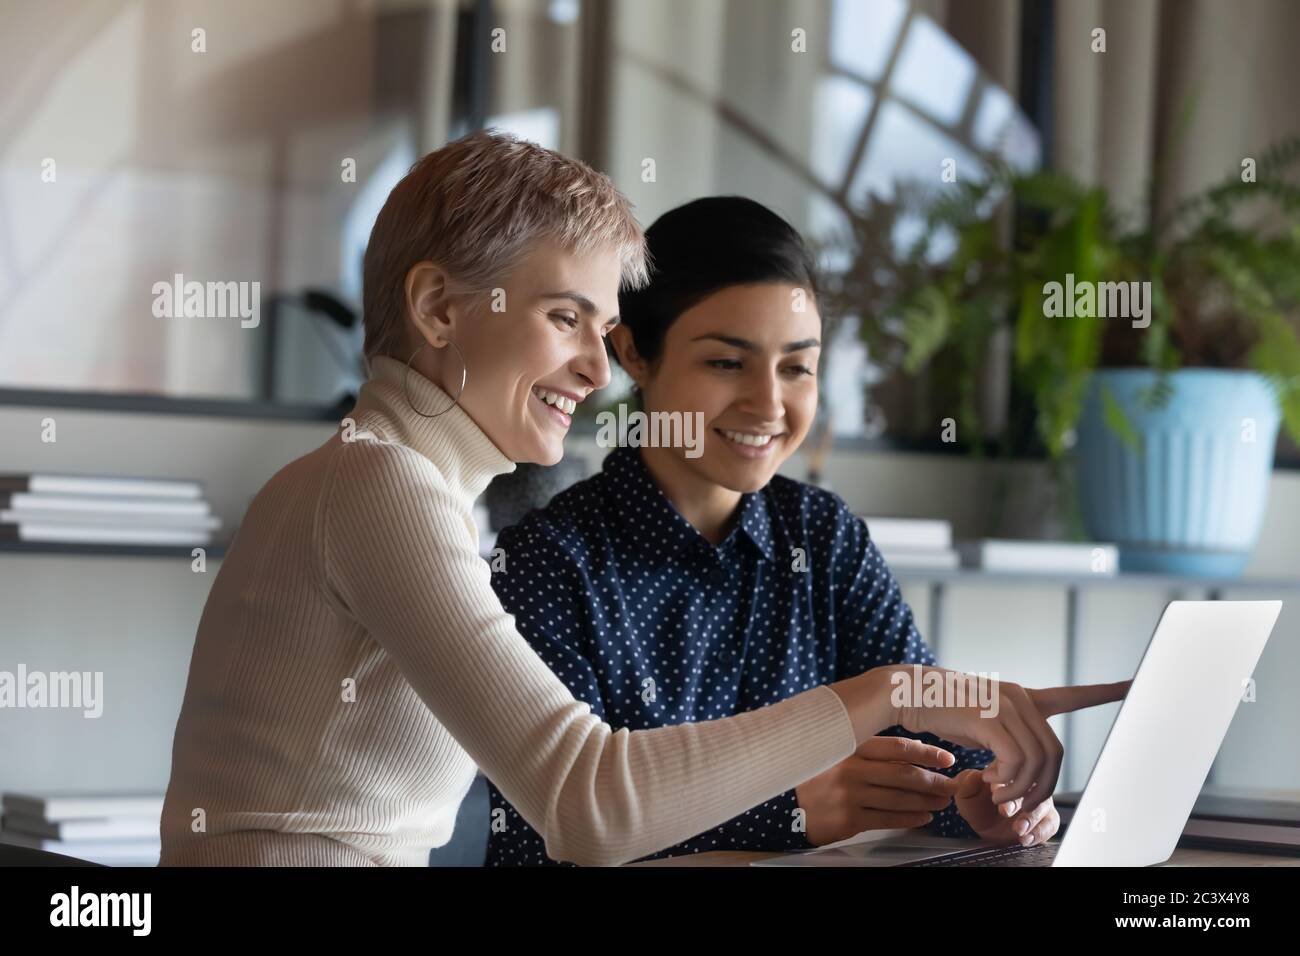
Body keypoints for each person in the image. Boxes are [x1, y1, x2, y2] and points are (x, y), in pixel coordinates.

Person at [160, 132, 1126, 867]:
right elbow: (588, 805)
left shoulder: (401, 484)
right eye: (563, 318)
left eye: (604, 325)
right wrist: (885, 695)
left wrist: (971, 776)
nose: (594, 365)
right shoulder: (380, 489)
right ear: (441, 309)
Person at [484, 197, 1081, 864]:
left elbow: (926, 721)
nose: (768, 404)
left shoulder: (823, 538)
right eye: (726, 363)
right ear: (633, 353)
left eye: (797, 367)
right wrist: (792, 811)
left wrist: (984, 795)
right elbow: (540, 843)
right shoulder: (548, 562)